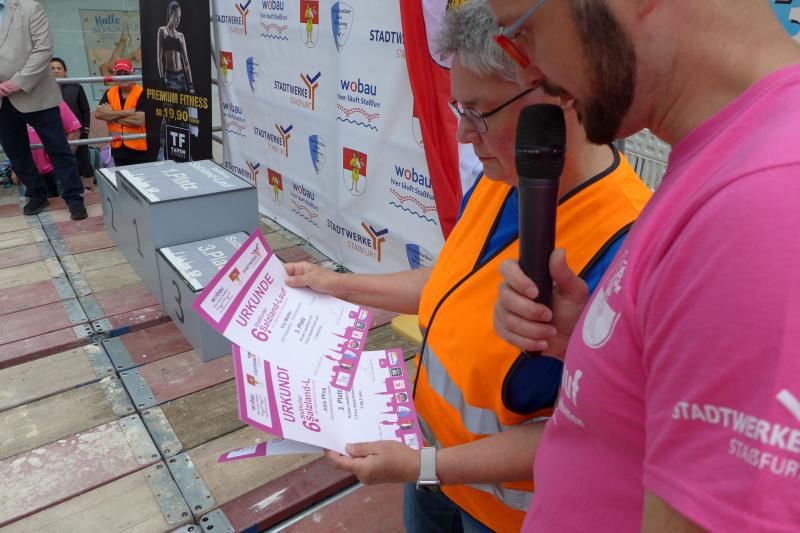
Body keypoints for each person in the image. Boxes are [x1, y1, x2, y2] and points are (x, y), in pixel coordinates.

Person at [286, 3, 652, 531]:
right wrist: (339, 285)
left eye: (478, 113)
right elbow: (451, 283)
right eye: (459, 109)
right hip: (426, 466)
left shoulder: (630, 244)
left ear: (560, 94)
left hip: (499, 513)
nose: (462, 134)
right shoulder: (505, 174)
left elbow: (582, 430)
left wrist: (423, 466)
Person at [487, 0, 800, 530]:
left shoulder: (765, 200)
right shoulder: (735, 153)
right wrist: (599, 345)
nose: (527, 73)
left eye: (523, 33)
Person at [0, 0, 87, 219]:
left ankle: (74, 197)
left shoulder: (30, 7)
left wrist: (18, 82)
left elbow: (43, 49)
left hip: (36, 93)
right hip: (2, 100)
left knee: (58, 147)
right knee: (16, 153)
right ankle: (37, 193)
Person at [50, 57, 94, 191]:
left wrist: (85, 129)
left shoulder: (76, 87)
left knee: (84, 160)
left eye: (59, 68)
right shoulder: (43, 91)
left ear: (65, 71)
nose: (56, 71)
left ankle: (89, 188)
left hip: (77, 131)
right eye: (52, 68)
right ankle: (73, 188)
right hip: (56, 133)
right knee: (66, 160)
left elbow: (85, 110)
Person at [95, 59, 148, 167]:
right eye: (119, 74)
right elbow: (99, 114)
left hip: (139, 150)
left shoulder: (142, 92)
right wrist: (126, 113)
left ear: (132, 74)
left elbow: (138, 121)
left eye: (126, 74)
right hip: (117, 150)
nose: (122, 77)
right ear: (115, 75)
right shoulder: (110, 92)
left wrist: (111, 115)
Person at [157, 1, 193, 94]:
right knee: (169, 102)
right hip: (169, 76)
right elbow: (159, 57)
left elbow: (186, 62)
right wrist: (162, 78)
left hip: (181, 77)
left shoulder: (181, 36)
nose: (179, 20)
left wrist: (190, 84)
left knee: (183, 103)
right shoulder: (162, 31)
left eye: (179, 17)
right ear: (171, 14)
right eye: (177, 17)